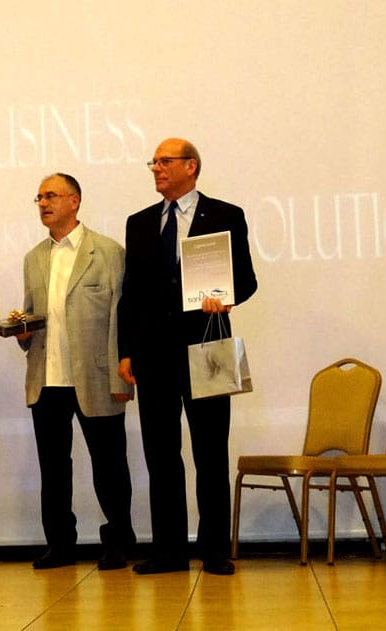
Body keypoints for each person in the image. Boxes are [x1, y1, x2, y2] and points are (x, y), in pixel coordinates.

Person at [117, 138, 257, 575]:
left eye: (165, 161)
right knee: (161, 455)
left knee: (211, 453)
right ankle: (169, 551)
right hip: (153, 354)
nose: (156, 168)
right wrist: (126, 351)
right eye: (153, 162)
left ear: (190, 166)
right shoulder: (140, 222)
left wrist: (225, 297)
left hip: (207, 346)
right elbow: (131, 294)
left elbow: (246, 280)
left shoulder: (226, 215)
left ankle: (215, 550)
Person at [16, 173, 136, 570]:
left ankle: (118, 541)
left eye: (50, 196)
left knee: (110, 465)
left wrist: (122, 375)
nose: (43, 203)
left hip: (97, 377)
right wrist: (21, 331)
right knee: (53, 469)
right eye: (39, 198)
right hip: (46, 379)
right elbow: (31, 315)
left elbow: (121, 318)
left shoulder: (108, 252)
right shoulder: (34, 258)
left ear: (74, 201)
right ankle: (60, 544)